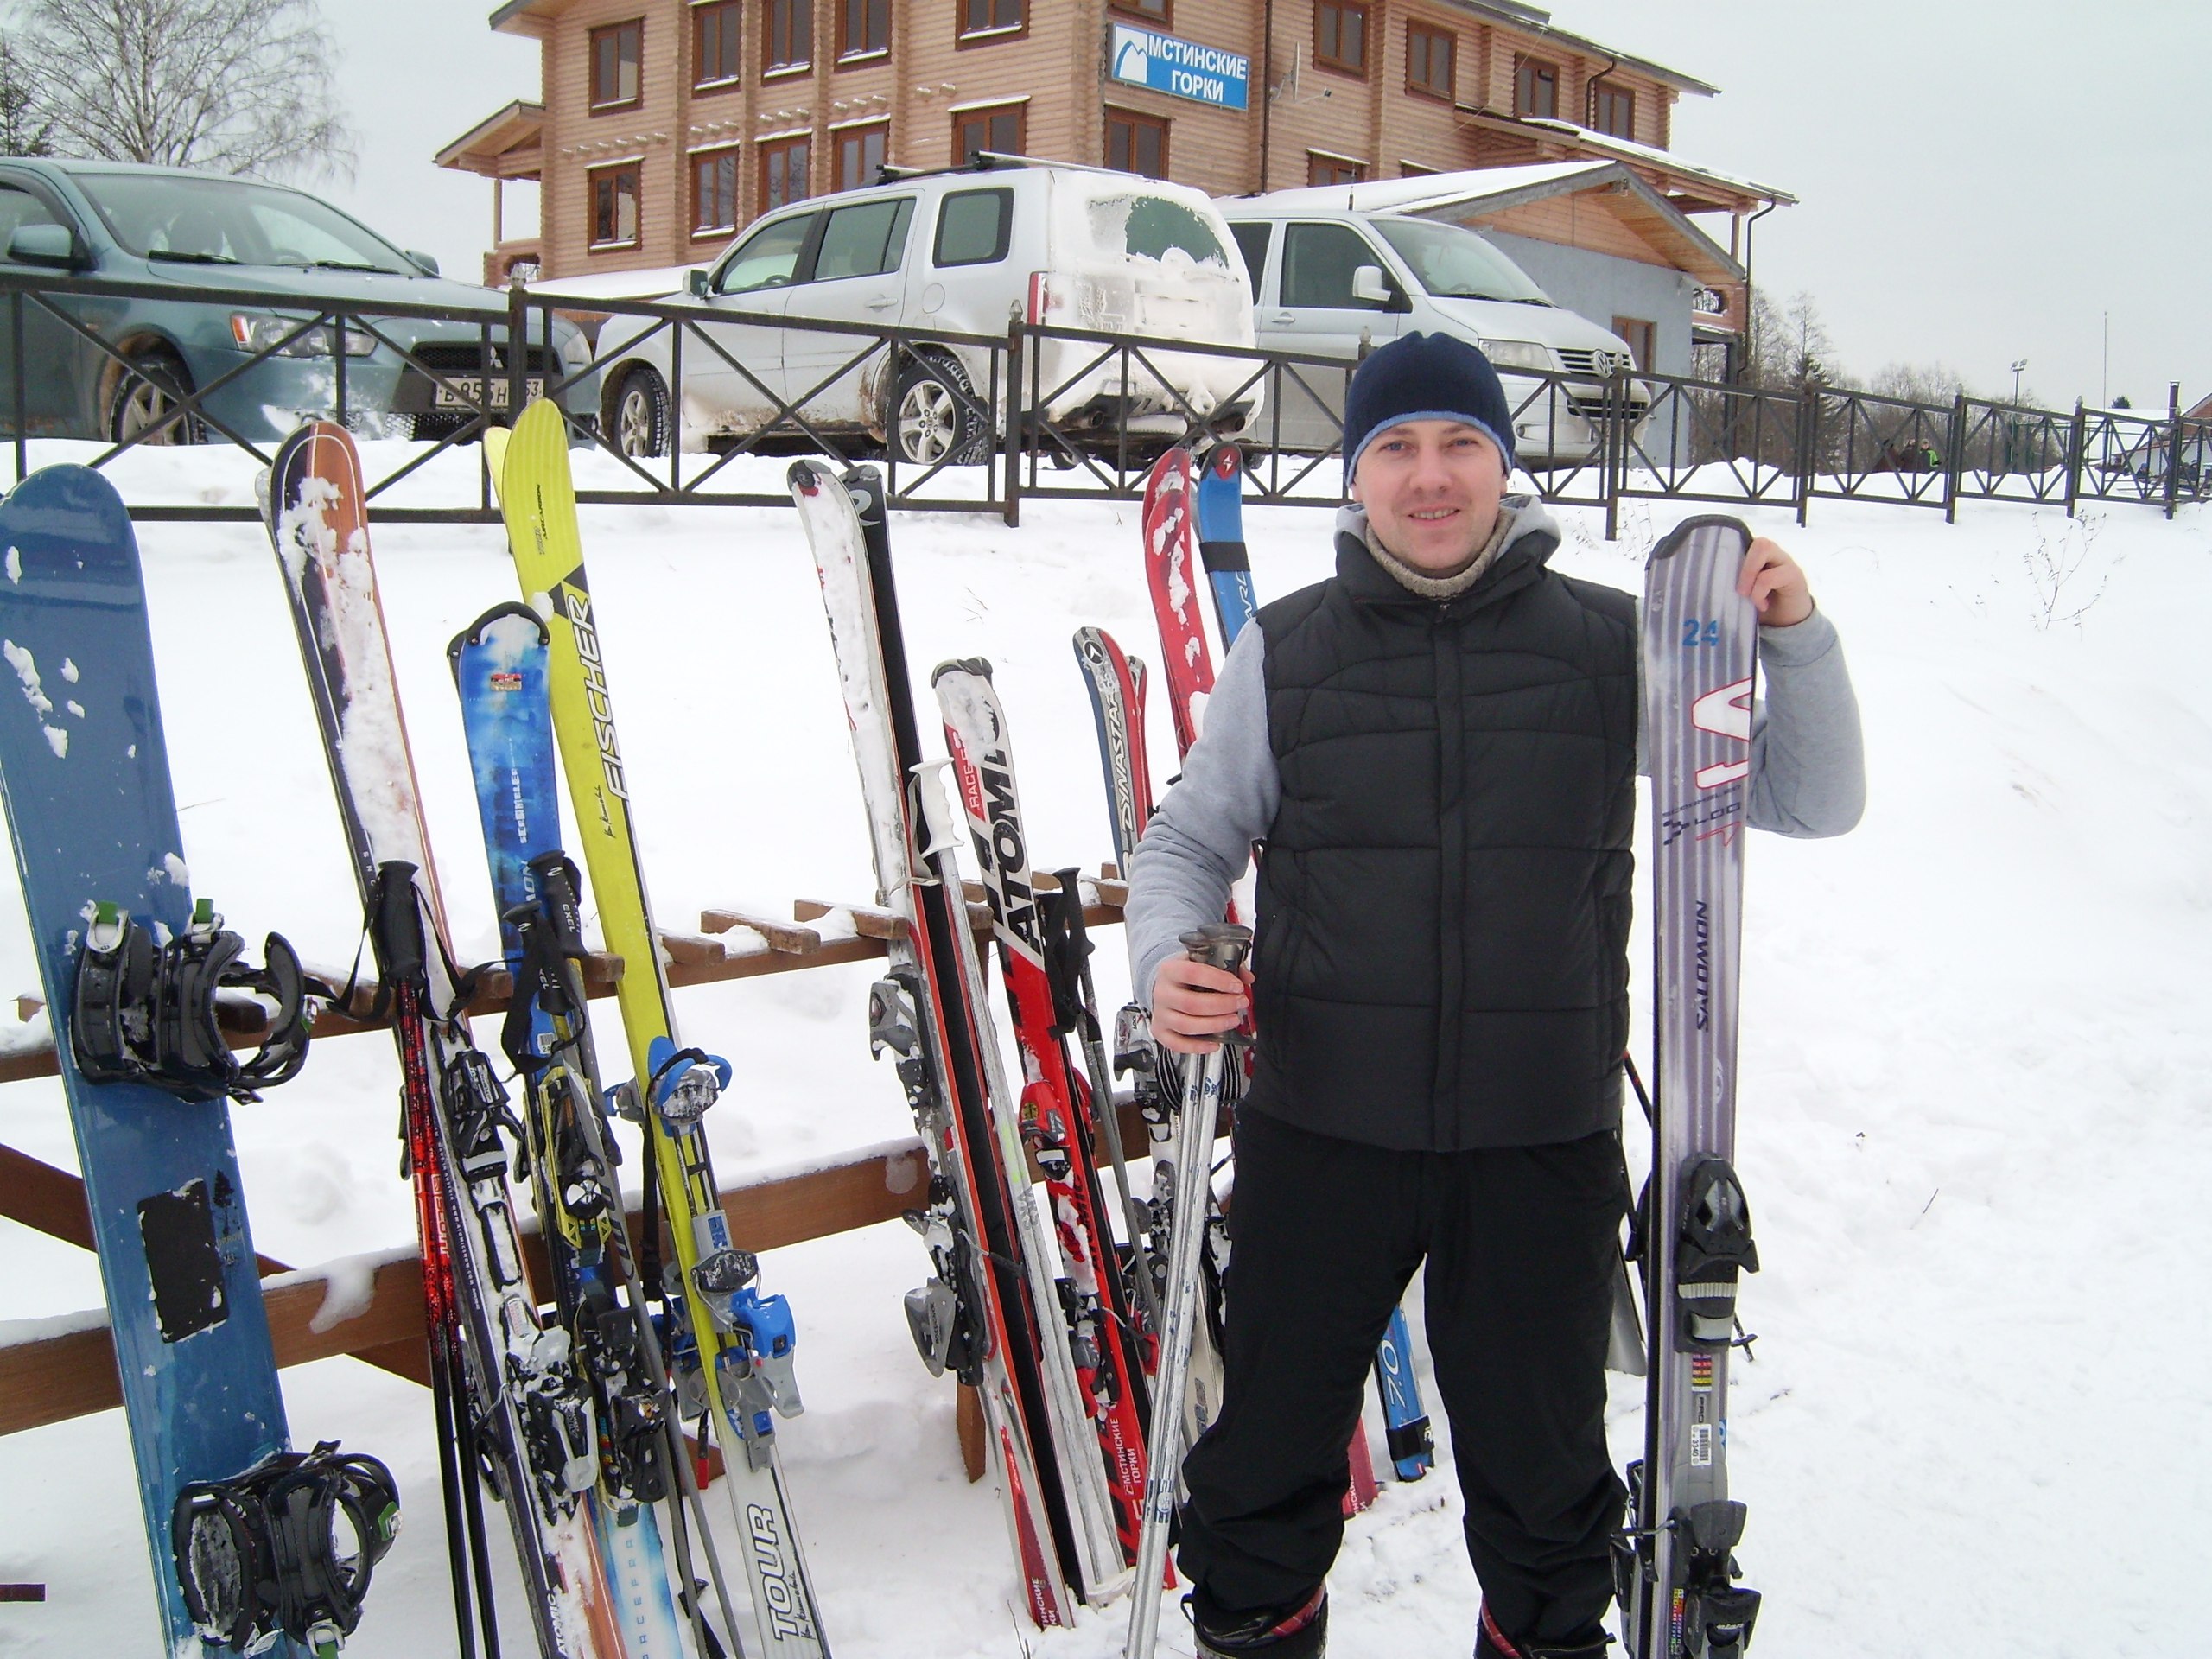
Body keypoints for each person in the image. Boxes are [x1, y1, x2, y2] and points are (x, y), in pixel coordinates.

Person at [1124, 331, 1865, 1659]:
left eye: (1460, 442)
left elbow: (1809, 800)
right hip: (1323, 1138)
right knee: (1259, 1493)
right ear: (1356, 476)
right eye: (1396, 447)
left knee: (1547, 1515)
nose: (1430, 476)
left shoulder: (1611, 648)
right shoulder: (1289, 651)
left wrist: (1796, 642)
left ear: (1504, 463)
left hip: (1537, 1146)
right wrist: (1167, 956)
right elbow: (1189, 839)